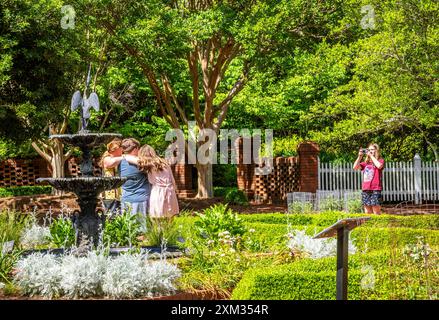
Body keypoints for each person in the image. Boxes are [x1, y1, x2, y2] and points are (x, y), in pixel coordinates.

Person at [124, 145, 179, 218]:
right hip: (170, 191)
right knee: (169, 216)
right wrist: (174, 191)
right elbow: (173, 180)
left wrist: (123, 156)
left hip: (158, 191)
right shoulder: (164, 162)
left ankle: (158, 229)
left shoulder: (148, 163)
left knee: (157, 217)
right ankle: (168, 229)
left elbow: (128, 158)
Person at [105, 138, 151, 224]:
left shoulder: (119, 161)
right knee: (142, 232)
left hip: (126, 200)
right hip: (141, 199)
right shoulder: (142, 163)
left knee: (128, 230)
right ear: (136, 148)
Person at [353, 143, 385, 214]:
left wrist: (371, 156)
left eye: (372, 149)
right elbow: (355, 167)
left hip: (375, 189)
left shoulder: (380, 160)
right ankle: (368, 225)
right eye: (369, 150)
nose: (370, 151)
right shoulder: (365, 163)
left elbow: (379, 166)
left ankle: (378, 224)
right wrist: (359, 156)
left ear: (376, 151)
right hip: (366, 189)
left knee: (376, 211)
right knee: (367, 212)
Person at [99, 138, 123, 216]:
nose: (122, 150)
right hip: (109, 194)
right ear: (116, 149)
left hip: (118, 194)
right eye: (121, 148)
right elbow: (110, 163)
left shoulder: (118, 159)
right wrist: (125, 157)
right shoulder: (107, 158)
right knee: (111, 216)